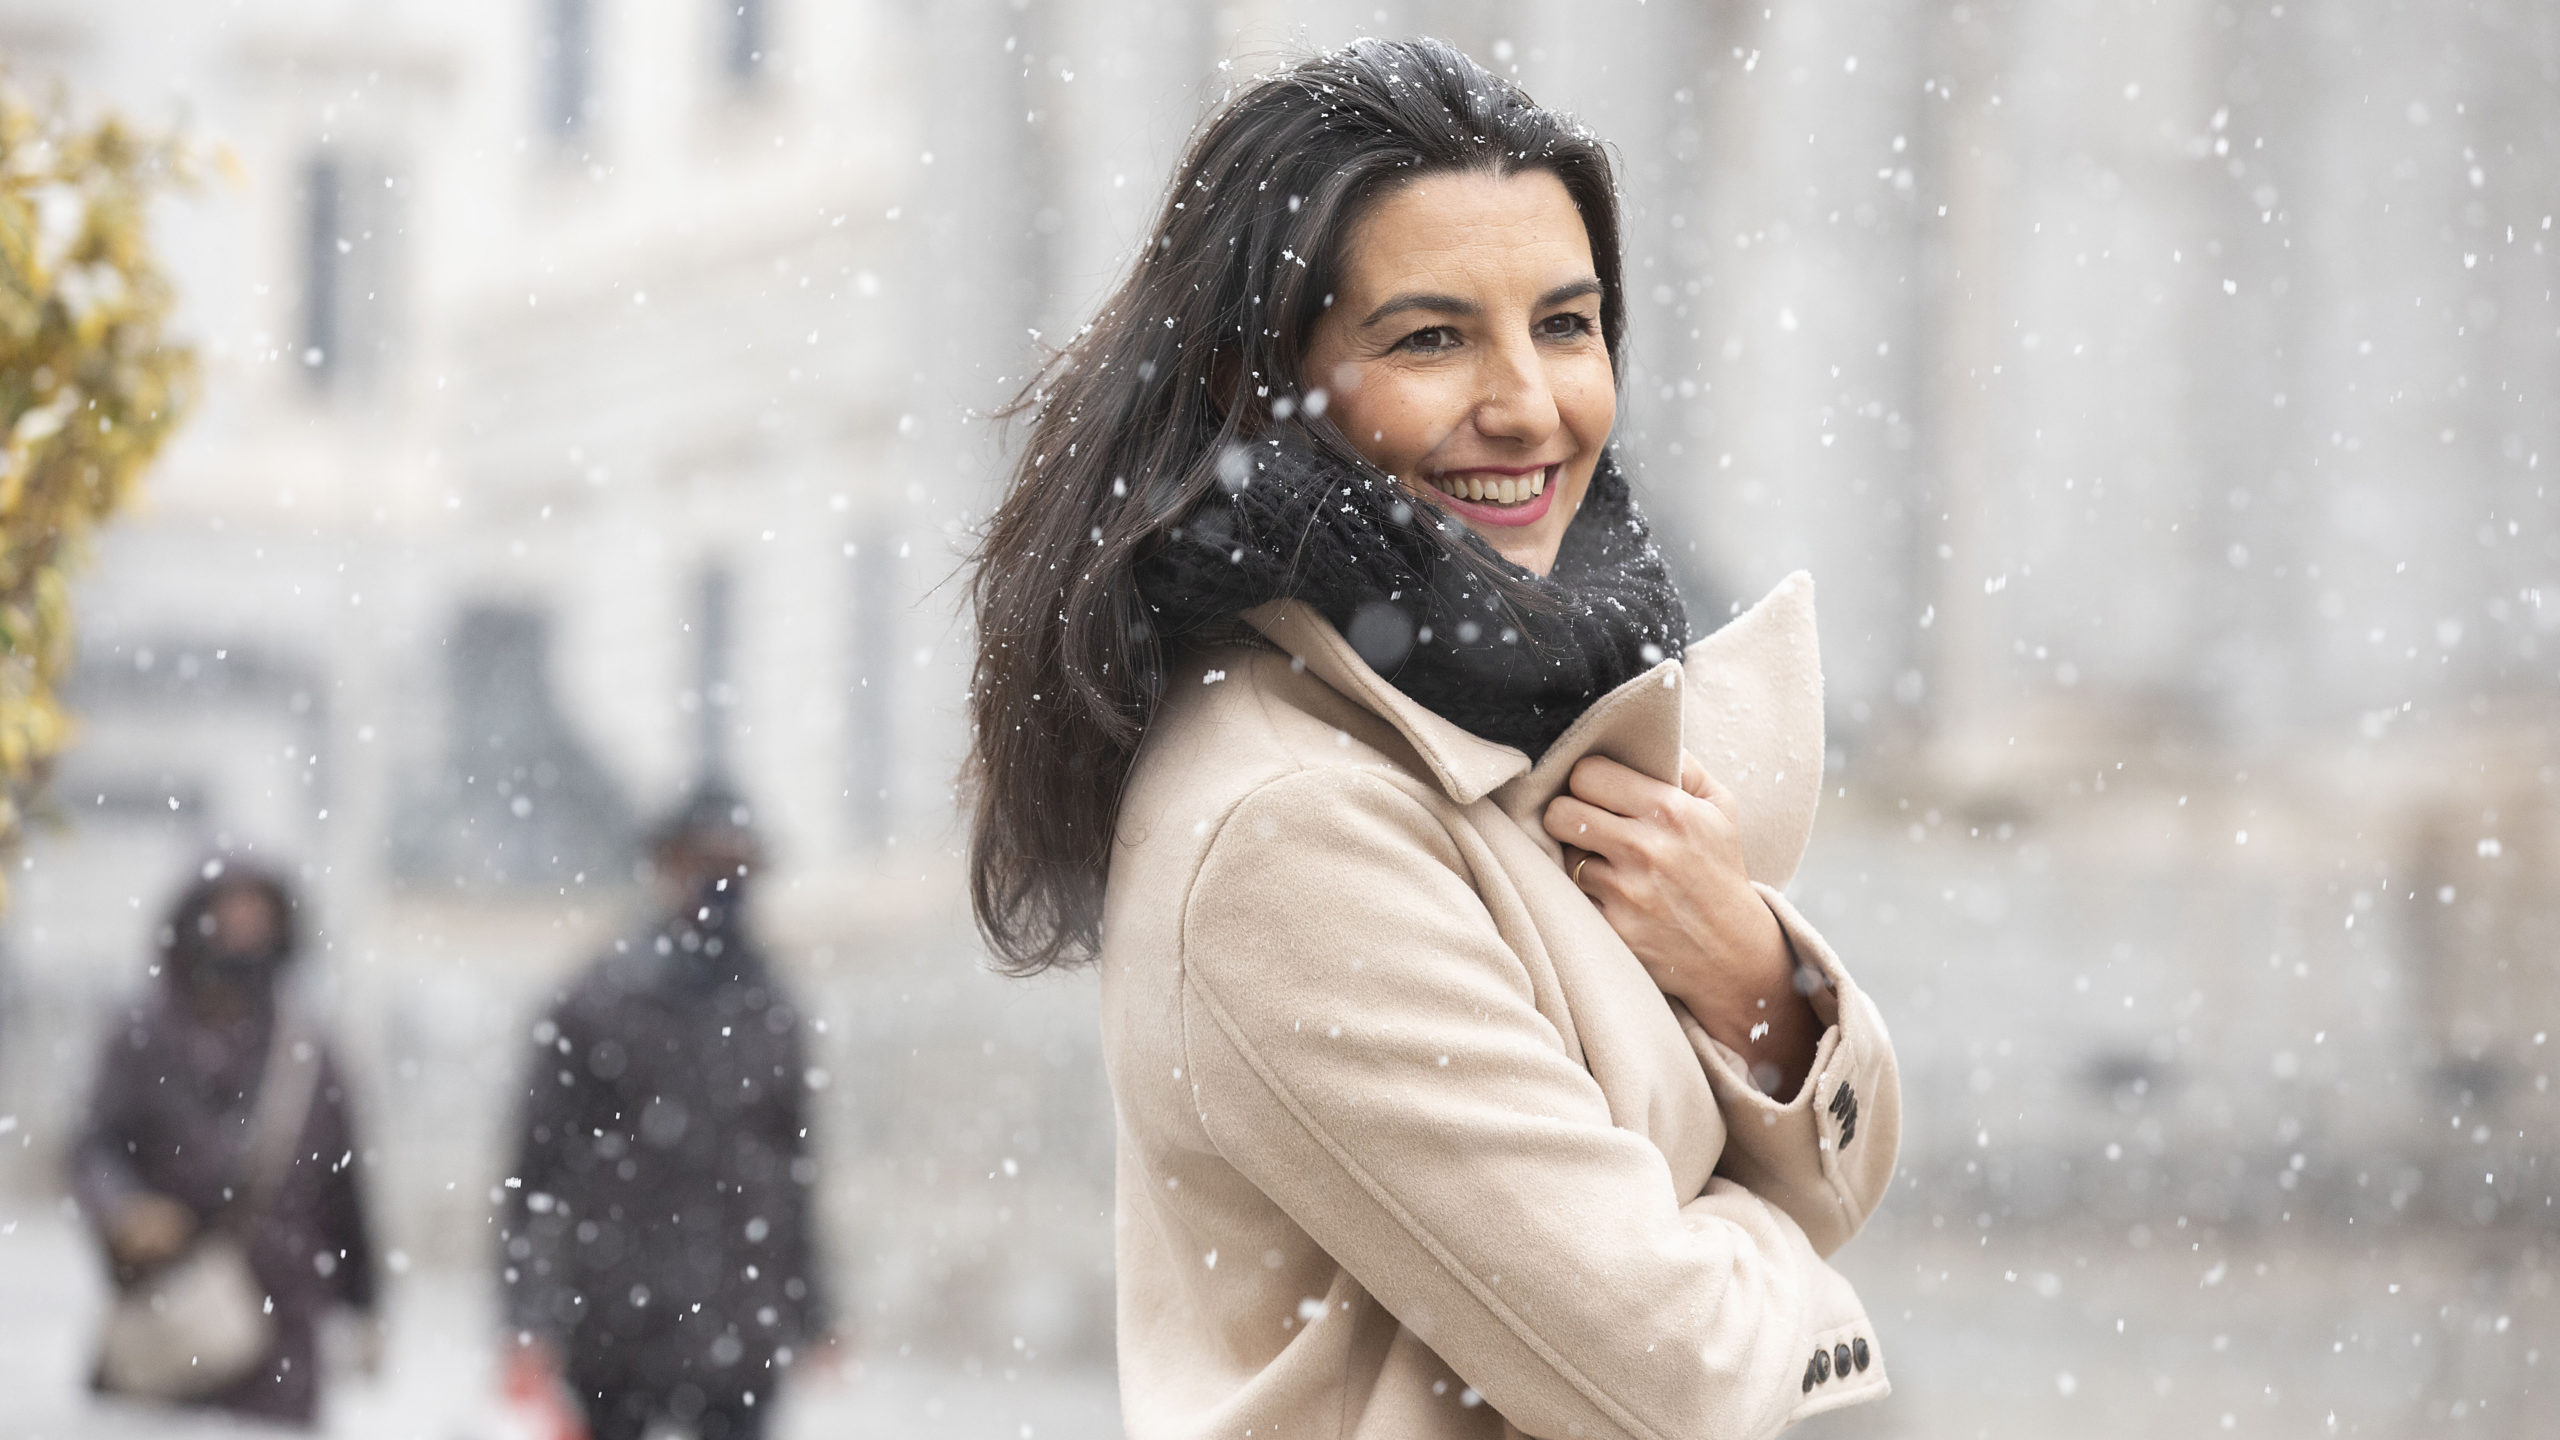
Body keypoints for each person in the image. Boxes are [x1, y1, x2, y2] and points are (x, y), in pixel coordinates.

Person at [965, 37, 1902, 1438]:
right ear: (1251, 382)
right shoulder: (1292, 823)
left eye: (1567, 325)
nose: (1530, 404)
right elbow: (1675, 1375)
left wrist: (1753, 983)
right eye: (1430, 337)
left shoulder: (1503, 709)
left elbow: (1835, 1174)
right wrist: (1811, 1303)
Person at [499, 781, 832, 1440]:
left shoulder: (772, 1009)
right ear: (667, 868)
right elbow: (535, 1175)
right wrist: (527, 1322)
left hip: (739, 1334)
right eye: (705, 863)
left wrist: (814, 1314)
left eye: (737, 866)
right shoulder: (593, 1001)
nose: (721, 883)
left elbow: (793, 1172)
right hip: (612, 1332)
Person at [72, 858, 381, 1428]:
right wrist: (124, 1212)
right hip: (171, 1315)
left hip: (282, 1330)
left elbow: (345, 1191)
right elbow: (94, 1146)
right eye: (229, 908)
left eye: (256, 911)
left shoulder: (308, 1051)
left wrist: (365, 1308)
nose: (243, 925)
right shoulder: (144, 1033)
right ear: (196, 918)